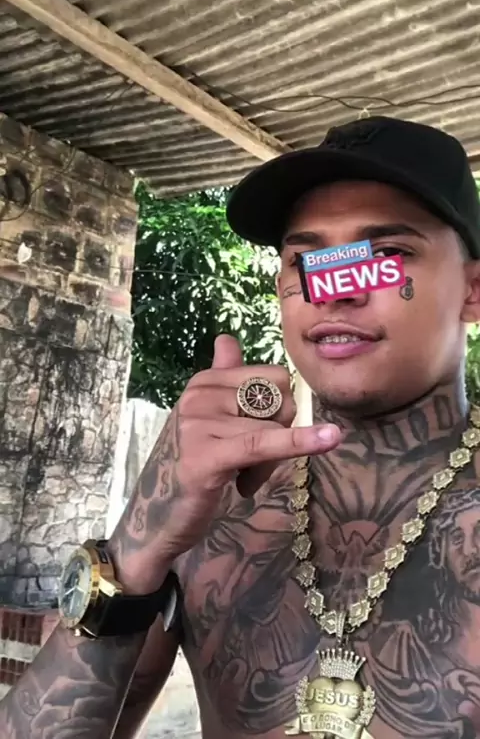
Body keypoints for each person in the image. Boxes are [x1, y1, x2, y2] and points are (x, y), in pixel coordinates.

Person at [2, 115, 480, 739]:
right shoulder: (215, 508)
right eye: (307, 262)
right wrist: (137, 548)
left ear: (473, 291)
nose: (335, 291)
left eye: (386, 256)